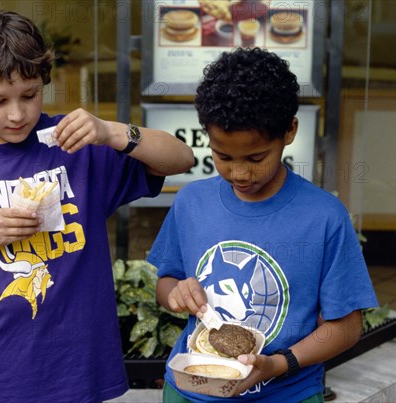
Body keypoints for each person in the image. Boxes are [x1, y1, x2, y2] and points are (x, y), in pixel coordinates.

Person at [0, 10, 193, 403]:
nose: (17, 114)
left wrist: (112, 131)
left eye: (30, 95)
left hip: (74, 372)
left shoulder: (75, 143)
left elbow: (181, 158)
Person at [147, 47, 378, 402]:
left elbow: (345, 326)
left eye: (256, 158)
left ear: (289, 131)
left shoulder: (324, 217)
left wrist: (280, 363)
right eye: (223, 156)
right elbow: (167, 282)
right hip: (190, 390)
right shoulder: (191, 202)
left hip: (287, 393)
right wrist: (175, 294)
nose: (239, 173)